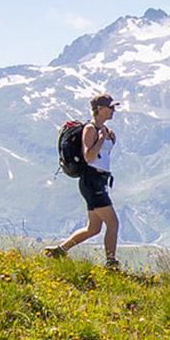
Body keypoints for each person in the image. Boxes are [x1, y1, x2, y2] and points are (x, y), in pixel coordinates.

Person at [46, 93, 123, 269]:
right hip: (91, 180)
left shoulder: (105, 131)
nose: (113, 110)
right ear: (100, 109)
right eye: (110, 107)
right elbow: (89, 156)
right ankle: (111, 262)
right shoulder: (90, 129)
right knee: (113, 223)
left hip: (99, 180)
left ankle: (59, 250)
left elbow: (103, 156)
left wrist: (110, 139)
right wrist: (102, 138)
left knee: (94, 228)